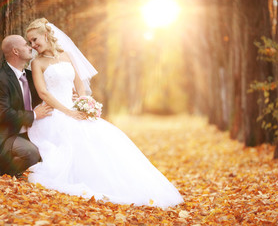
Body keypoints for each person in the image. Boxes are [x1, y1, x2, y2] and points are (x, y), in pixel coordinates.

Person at [25, 18, 184, 208]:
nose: (33, 45)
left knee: (103, 140)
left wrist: (82, 103)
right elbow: (43, 92)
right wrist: (68, 111)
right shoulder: (37, 63)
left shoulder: (66, 55)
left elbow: (79, 84)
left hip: (75, 109)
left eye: (35, 40)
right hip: (55, 112)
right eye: (30, 42)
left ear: (45, 34)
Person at [0, 35, 53, 177]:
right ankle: (6, 170)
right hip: (8, 135)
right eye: (26, 45)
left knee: (51, 149)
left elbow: (47, 94)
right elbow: (4, 114)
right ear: (16, 51)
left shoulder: (30, 76)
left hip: (32, 131)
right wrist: (34, 115)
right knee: (32, 153)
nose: (31, 47)